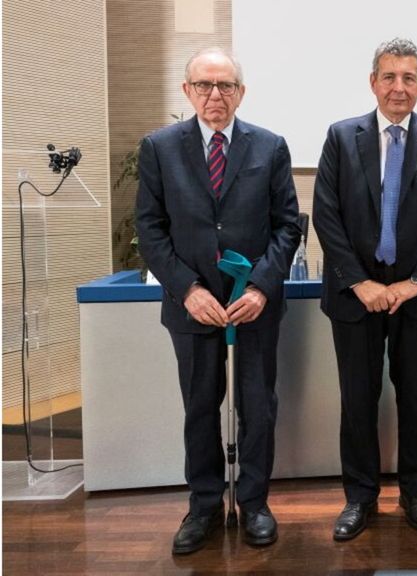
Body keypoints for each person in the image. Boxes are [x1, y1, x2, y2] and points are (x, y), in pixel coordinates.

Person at [136, 47, 301, 554]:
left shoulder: (269, 147)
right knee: (200, 408)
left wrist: (259, 288)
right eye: (204, 85)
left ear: (241, 92)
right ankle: (204, 505)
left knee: (258, 406)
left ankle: (253, 503)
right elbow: (150, 228)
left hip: (254, 306)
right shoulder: (159, 148)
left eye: (225, 85)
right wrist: (188, 289)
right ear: (187, 91)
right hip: (193, 307)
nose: (215, 95)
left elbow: (287, 226)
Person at [312, 37, 417, 541]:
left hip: (416, 297)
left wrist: (413, 282)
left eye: (409, 78)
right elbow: (326, 215)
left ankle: (415, 494)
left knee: (416, 397)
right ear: (373, 82)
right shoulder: (341, 136)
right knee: (357, 399)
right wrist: (359, 282)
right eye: (389, 77)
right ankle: (359, 498)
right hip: (355, 298)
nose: (398, 87)